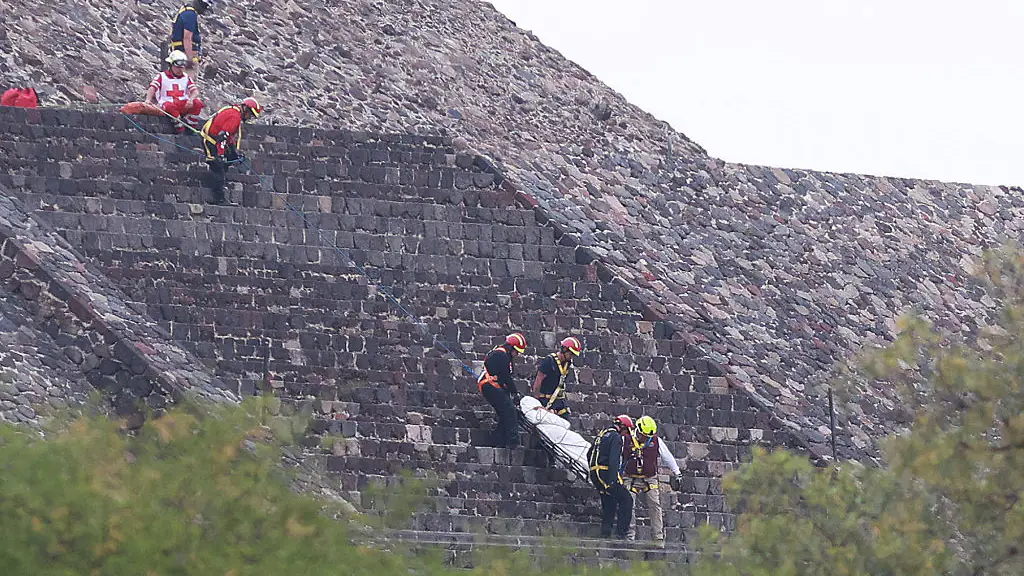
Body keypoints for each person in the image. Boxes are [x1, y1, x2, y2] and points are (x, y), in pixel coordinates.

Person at [623, 415, 683, 545]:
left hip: (650, 478)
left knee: (655, 505)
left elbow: (667, 457)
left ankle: (658, 537)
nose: (645, 438)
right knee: (628, 506)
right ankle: (629, 536)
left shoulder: (655, 441)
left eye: (647, 436)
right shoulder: (626, 439)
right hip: (630, 477)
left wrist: (677, 472)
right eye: (644, 435)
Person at [200, 97, 262, 205]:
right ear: (246, 110)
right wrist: (220, 154)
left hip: (216, 140)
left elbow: (228, 136)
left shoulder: (233, 111)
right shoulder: (235, 117)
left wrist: (233, 153)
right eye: (250, 115)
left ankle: (218, 183)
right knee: (218, 167)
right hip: (211, 142)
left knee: (228, 159)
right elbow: (222, 136)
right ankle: (218, 198)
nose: (249, 118)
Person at [477, 333, 527, 448]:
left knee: (505, 414)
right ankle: (513, 442)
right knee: (510, 411)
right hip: (490, 386)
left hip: (492, 386)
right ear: (510, 348)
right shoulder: (501, 355)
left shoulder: (503, 354)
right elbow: (506, 377)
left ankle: (496, 441)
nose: (517, 354)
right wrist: (514, 393)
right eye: (516, 351)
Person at [588, 414, 635, 539]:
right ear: (623, 427)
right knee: (626, 500)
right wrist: (613, 480)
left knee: (609, 502)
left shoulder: (602, 434)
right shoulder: (616, 437)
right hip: (606, 473)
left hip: (594, 473)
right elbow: (614, 459)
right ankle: (621, 533)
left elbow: (589, 453)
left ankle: (605, 533)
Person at [145, 50, 204, 133]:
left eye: (182, 67)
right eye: (178, 67)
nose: (180, 70)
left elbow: (195, 91)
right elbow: (152, 88)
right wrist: (148, 100)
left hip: (183, 104)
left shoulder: (186, 77)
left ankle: (191, 126)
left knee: (198, 103)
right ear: (171, 65)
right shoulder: (161, 76)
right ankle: (180, 127)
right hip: (167, 103)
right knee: (169, 106)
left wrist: (191, 99)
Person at [532, 336, 582, 417]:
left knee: (565, 420)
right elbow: (539, 379)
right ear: (564, 350)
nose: (571, 357)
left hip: (557, 400)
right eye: (571, 354)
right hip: (545, 399)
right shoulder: (549, 361)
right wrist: (536, 401)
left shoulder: (567, 364)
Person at [165, 0, 213, 74]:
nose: (205, 9)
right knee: (188, 82)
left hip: (181, 53)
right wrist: (190, 60)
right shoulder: (190, 15)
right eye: (205, 6)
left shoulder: (186, 11)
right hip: (184, 54)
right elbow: (187, 38)